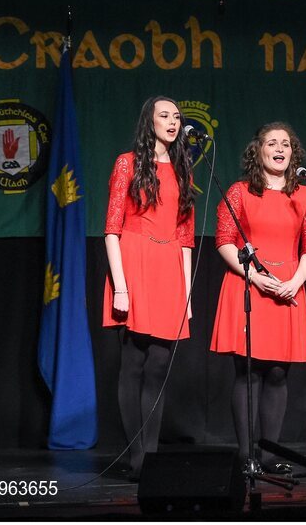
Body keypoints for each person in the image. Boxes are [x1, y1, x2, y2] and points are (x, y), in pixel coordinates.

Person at [210, 123, 306, 470]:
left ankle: (270, 457)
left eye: (285, 144)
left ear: (293, 153)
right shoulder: (240, 191)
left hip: (287, 288)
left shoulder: (305, 195)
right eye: (271, 143)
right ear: (257, 151)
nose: (279, 148)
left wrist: (296, 283)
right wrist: (254, 277)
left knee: (277, 374)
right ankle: (246, 456)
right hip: (248, 285)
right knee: (248, 372)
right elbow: (224, 240)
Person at [103, 97, 196, 478]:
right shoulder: (128, 163)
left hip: (170, 266)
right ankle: (137, 458)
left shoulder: (182, 167)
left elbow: (186, 236)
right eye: (164, 116)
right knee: (135, 364)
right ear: (149, 121)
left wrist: (188, 292)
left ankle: (151, 457)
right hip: (134, 261)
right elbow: (112, 229)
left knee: (159, 365)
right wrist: (120, 287)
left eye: (176, 117)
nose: (172, 122)